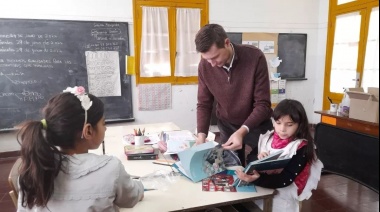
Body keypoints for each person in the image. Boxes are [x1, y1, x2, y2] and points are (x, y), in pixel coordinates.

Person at [17, 86, 144, 211]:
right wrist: (140, 186)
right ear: (88, 130)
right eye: (103, 123)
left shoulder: (32, 169)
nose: (105, 128)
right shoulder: (111, 168)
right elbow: (130, 199)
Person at [194, 23, 273, 165]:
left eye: (215, 57)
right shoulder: (205, 66)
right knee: (230, 168)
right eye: (207, 59)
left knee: (261, 167)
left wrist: (242, 131)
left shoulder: (254, 57)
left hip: (256, 125)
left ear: (227, 43)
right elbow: (204, 104)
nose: (212, 64)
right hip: (227, 124)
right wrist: (201, 135)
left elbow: (263, 105)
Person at [235, 99, 324, 212]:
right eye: (278, 123)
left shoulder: (301, 147)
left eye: (289, 124)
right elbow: (250, 157)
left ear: (299, 125)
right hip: (261, 187)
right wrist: (258, 156)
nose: (282, 129)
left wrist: (258, 179)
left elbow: (286, 179)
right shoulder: (268, 138)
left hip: (283, 194)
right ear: (273, 122)